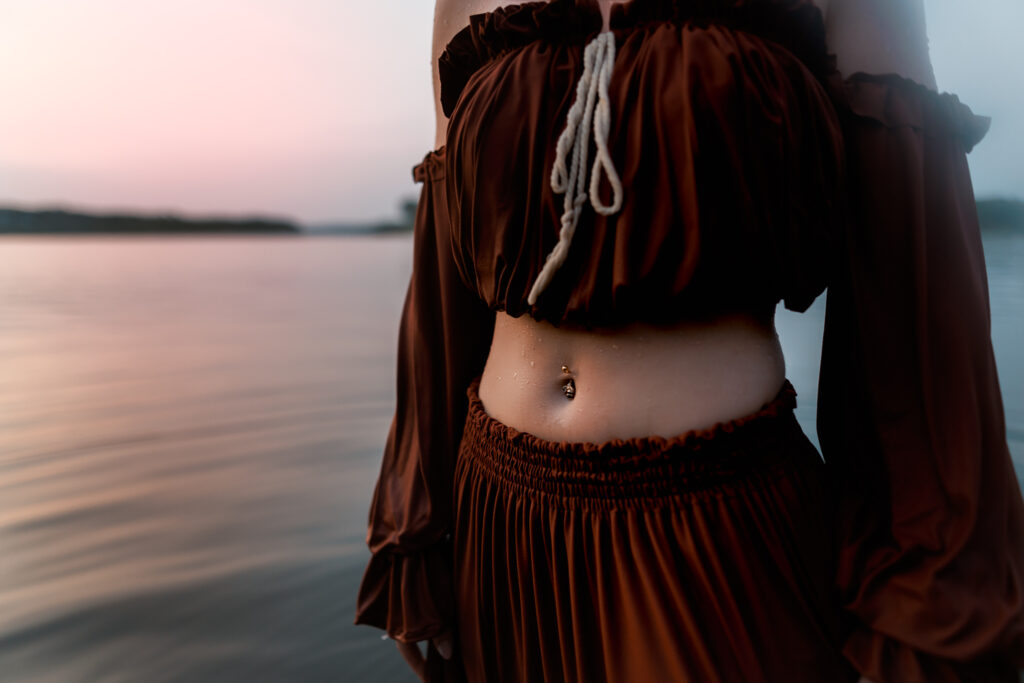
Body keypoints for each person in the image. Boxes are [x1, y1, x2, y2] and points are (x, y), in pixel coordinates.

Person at [354, 0, 1024, 680]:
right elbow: (444, 279)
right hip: (496, 525)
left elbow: (910, 301)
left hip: (713, 536)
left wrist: (931, 595)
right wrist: (416, 521)